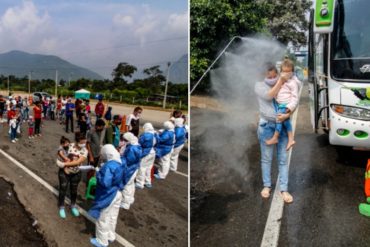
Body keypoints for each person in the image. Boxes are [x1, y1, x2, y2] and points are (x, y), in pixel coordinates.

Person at [255, 63, 294, 203]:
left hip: (282, 125)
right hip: (266, 126)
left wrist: (287, 114)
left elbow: (291, 101)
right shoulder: (259, 85)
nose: (272, 78)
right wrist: (280, 81)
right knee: (266, 158)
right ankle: (267, 186)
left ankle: (284, 189)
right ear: (263, 76)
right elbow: (269, 96)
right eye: (269, 76)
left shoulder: (285, 84)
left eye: (274, 75)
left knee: (283, 159)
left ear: (278, 73)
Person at [88, 144, 126, 247]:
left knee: (103, 218)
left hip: (109, 195)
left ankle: (102, 241)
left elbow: (105, 183)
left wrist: (99, 172)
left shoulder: (108, 166)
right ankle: (110, 235)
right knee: (113, 216)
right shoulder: (120, 162)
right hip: (117, 192)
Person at [265, 59, 300, 150]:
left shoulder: (293, 83)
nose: (286, 74)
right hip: (280, 104)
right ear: (281, 72)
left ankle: (275, 137)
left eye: (289, 72)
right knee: (286, 122)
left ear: (292, 72)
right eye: (284, 72)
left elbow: (295, 98)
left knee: (279, 119)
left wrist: (290, 107)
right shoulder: (281, 80)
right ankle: (291, 139)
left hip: (285, 105)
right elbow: (278, 92)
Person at [56, 132, 88, 218]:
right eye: (82, 143)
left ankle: (73, 205)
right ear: (77, 141)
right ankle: (61, 206)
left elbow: (78, 162)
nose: (83, 144)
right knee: (63, 188)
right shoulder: (70, 145)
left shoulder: (85, 151)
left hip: (76, 173)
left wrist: (64, 164)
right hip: (64, 172)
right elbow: (59, 149)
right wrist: (62, 157)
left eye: (84, 142)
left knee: (74, 191)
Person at [120, 132, 142, 210]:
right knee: (131, 184)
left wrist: (119, 160)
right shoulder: (136, 144)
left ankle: (125, 203)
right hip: (134, 168)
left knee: (126, 185)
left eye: (125, 140)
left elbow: (128, 160)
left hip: (130, 169)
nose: (124, 141)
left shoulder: (132, 148)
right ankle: (130, 199)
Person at [136, 123, 156, 189]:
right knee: (149, 168)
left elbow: (140, 143)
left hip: (146, 152)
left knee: (142, 168)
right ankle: (148, 182)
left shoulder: (145, 135)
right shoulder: (154, 134)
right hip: (153, 152)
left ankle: (140, 183)